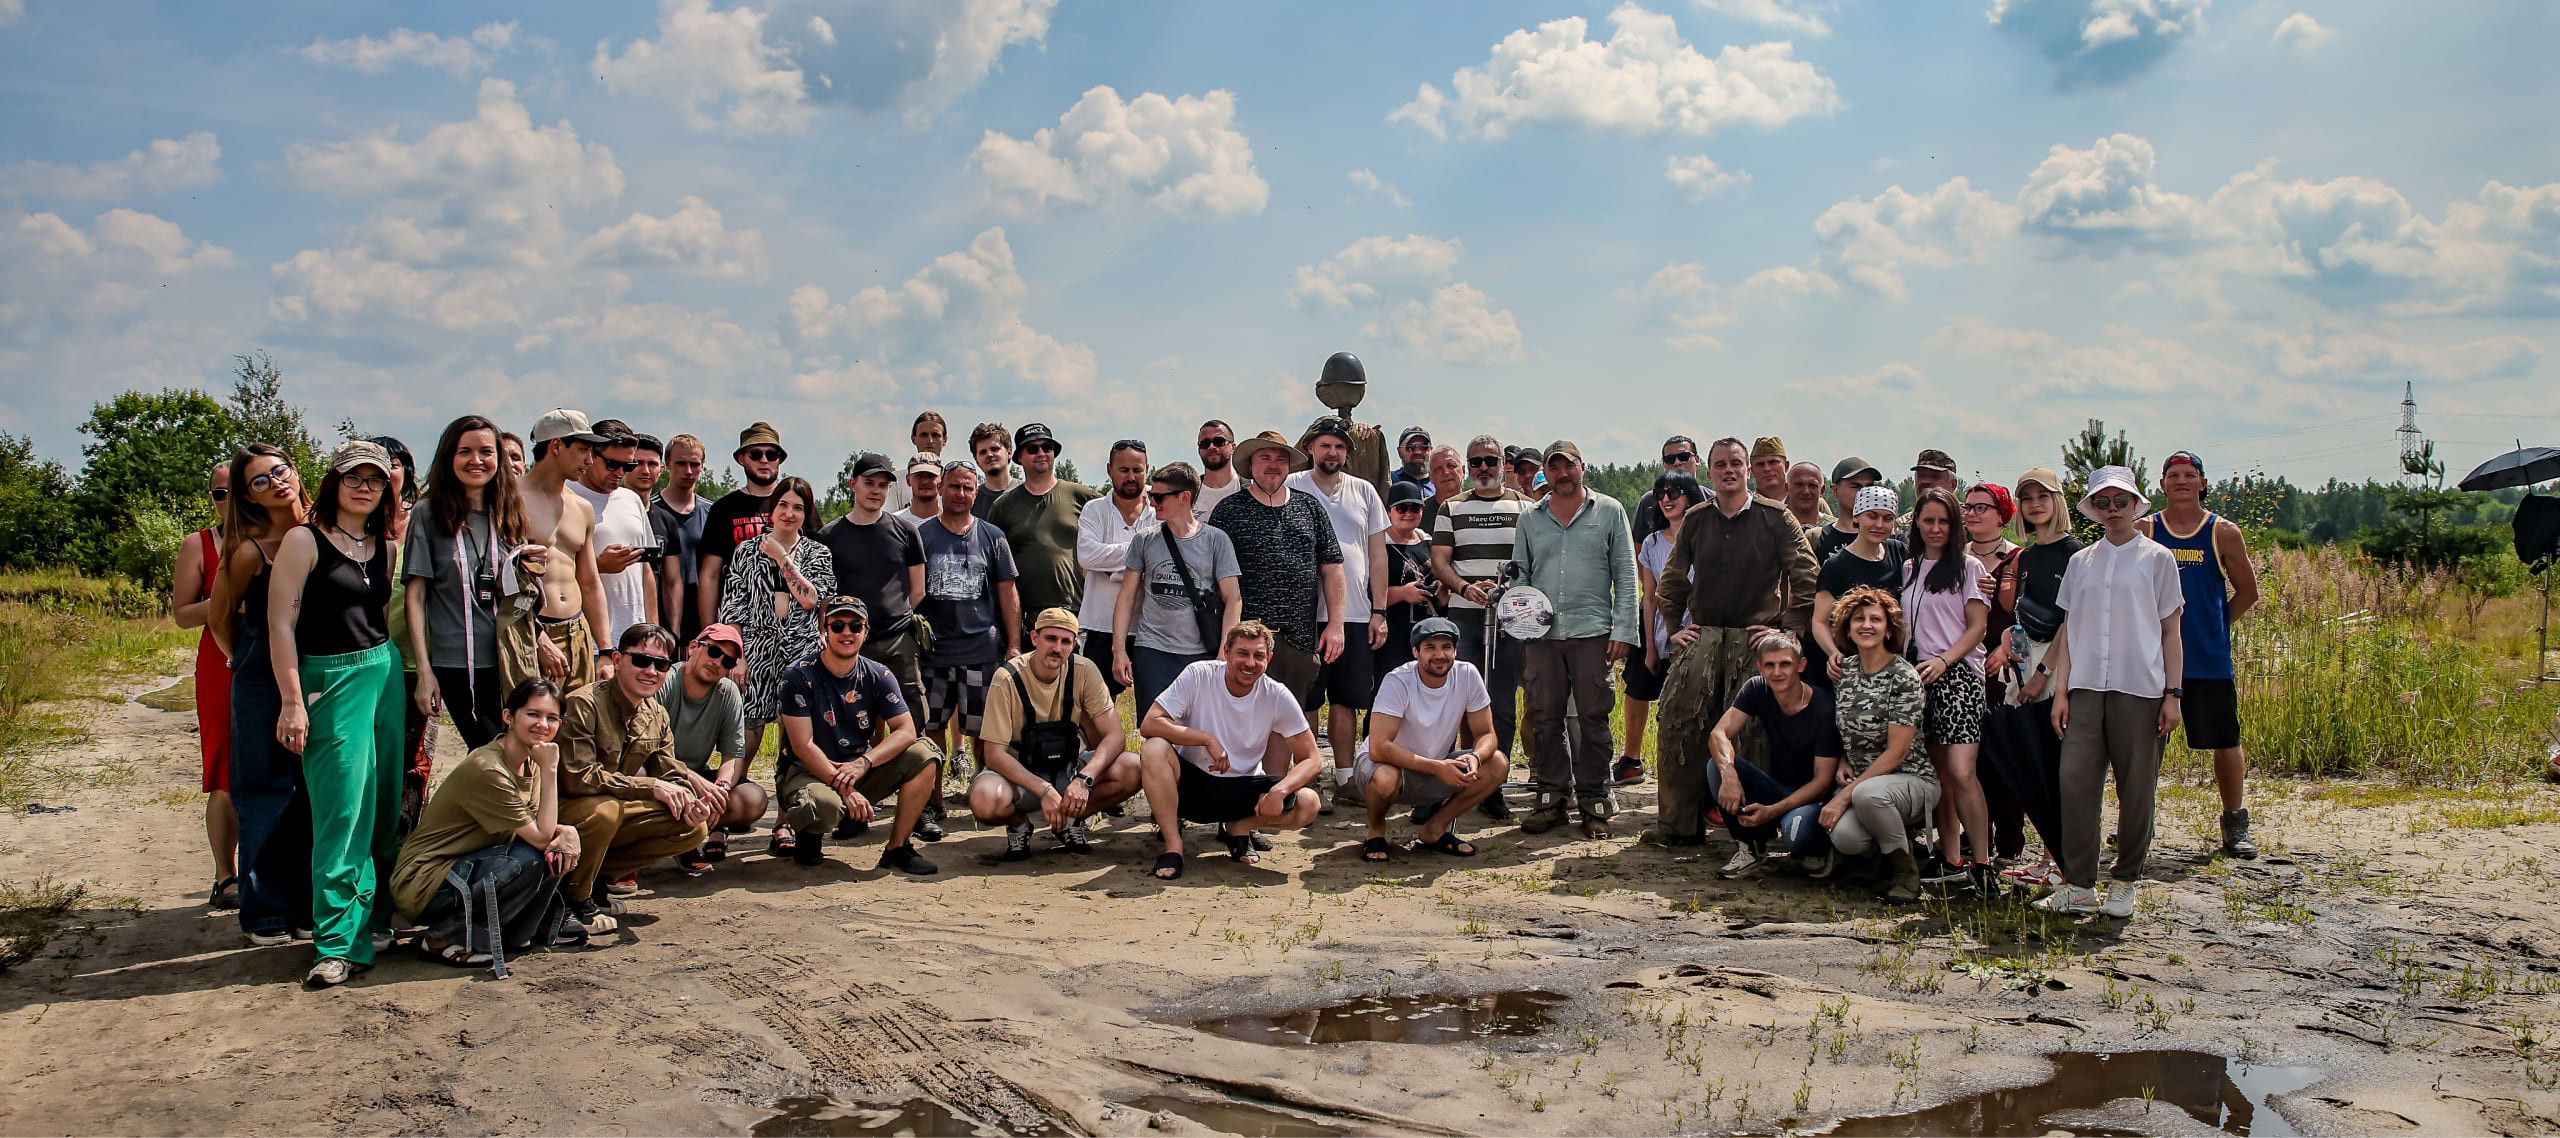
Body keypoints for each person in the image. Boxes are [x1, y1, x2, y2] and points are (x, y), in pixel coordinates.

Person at [267, 440, 407, 987]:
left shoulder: (383, 545)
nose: (366, 487)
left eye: (375, 479)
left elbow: (380, 620)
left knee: (381, 808)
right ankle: (334, 942)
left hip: (383, 672)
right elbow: (282, 625)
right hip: (329, 678)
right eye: (355, 477)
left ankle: (373, 920)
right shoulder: (303, 540)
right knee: (340, 813)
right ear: (334, 482)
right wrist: (293, 701)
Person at [1652, 438, 1820, 846]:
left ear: (1748, 471)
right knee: (1680, 730)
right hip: (1704, 635)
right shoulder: (1696, 518)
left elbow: (1808, 577)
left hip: (1756, 639)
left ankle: (1751, 832)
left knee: (1752, 737)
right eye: (1720, 464)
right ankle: (1678, 827)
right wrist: (1674, 625)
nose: (1729, 470)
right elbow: (1672, 578)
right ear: (1709, 473)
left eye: (1736, 463)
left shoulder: (1776, 517)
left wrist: (1788, 632)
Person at [2038, 467, 2185, 919]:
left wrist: (2173, 694)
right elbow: (2070, 628)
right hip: (2084, 688)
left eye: (2121, 500)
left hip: (2139, 687)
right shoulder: (2081, 562)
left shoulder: (2158, 558)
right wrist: (2060, 691)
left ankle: (2125, 882)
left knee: (2136, 787)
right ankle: (2079, 884)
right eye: (2103, 502)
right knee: (2076, 784)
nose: (2113, 509)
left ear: (2136, 502)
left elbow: (2171, 631)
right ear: (2093, 509)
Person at [391, 677, 578, 973]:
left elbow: (543, 828)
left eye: (552, 718)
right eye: (533, 714)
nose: (543, 724)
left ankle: (504, 933)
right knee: (532, 856)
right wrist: (551, 770)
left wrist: (568, 831)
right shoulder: (489, 768)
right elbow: (541, 837)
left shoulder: (532, 759)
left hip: (467, 866)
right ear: (508, 717)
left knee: (555, 853)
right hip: (424, 882)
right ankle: (443, 937)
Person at [208, 443, 311, 948]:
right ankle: (266, 911)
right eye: (259, 481)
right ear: (247, 497)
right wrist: (246, 662)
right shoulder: (251, 548)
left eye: (279, 471)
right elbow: (219, 619)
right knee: (267, 787)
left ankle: (309, 906)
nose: (275, 483)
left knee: (315, 790)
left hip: (318, 664)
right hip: (259, 672)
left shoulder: (324, 528)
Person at [1508, 441, 1639, 837]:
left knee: (1593, 718)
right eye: (1555, 467)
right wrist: (1523, 625)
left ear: (1582, 467)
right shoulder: (1531, 518)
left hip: (1593, 632)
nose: (1563, 474)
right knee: (1545, 718)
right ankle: (1550, 799)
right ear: (1546, 472)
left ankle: (1595, 801)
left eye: (1570, 466)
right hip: (1543, 636)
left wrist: (1623, 630)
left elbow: (1626, 575)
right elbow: (1520, 576)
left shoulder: (1610, 510)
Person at [2137, 450, 2261, 859]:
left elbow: (2248, 591)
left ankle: (2234, 824)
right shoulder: (2147, 529)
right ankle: (2136, 825)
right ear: (2162, 485)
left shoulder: (2222, 532)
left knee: (2225, 741)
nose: (2182, 482)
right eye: (2174, 476)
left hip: (2207, 660)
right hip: (2152, 660)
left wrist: (2215, 625)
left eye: (2190, 475)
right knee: (2139, 746)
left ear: (2203, 483)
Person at [1136, 621, 1326, 879]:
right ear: (1226, 652)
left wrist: (1280, 790)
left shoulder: (1277, 694)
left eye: (1258, 656)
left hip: (1244, 788)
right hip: (1191, 784)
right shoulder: (1199, 674)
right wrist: (1205, 739)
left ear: (1268, 659)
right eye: (1242, 653)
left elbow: (1313, 759)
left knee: (1308, 802)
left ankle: (1240, 827)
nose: (1250, 663)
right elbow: (1150, 723)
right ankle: (1173, 847)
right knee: (1153, 748)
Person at [555, 623, 714, 933]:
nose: (651, 671)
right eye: (641, 660)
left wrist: (691, 802)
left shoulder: (656, 714)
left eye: (661, 664)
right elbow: (579, 779)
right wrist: (651, 787)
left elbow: (671, 773)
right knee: (605, 811)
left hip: (609, 812)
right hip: (563, 815)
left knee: (691, 828)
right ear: (617, 660)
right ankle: (573, 897)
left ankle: (595, 878)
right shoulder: (584, 704)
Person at [775, 597, 944, 875]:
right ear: (824, 630)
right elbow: (802, 746)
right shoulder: (798, 674)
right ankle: (809, 835)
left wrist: (864, 763)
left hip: (856, 767)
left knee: (925, 753)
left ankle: (897, 848)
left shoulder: (879, 674)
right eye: (838, 625)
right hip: (807, 771)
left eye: (855, 626)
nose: (847, 633)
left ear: (866, 632)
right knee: (823, 805)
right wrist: (846, 790)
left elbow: (906, 731)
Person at [967, 609, 1140, 859]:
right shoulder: (1007, 678)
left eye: (1065, 641)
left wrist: (1084, 779)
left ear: (1074, 644)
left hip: (1068, 771)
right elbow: (993, 754)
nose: (1057, 648)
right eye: (1050, 639)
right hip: (1020, 776)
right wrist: (1044, 790)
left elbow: (1115, 736)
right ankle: (1019, 825)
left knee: (1134, 766)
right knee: (985, 798)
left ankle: (1072, 819)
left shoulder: (1084, 671)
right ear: (1035, 638)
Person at [1286, 418, 1392, 808]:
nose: (1332, 453)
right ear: (1311, 448)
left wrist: (1379, 610)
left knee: (1347, 698)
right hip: (1304, 613)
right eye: (1325, 445)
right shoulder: (1292, 487)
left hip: (1357, 614)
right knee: (1307, 699)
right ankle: (1308, 777)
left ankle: (1345, 779)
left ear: (1348, 453)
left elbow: (1377, 554)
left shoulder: (1364, 491)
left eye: (1340, 447)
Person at [406, 415, 527, 752]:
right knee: (492, 750)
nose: (476, 460)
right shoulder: (428, 514)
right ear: (450, 458)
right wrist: (424, 671)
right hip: (456, 662)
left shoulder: (509, 512)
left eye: (486, 451)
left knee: (516, 752)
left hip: (507, 658)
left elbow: (519, 595)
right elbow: (415, 597)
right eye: (465, 451)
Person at [1989, 467, 2083, 888]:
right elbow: (2025, 611)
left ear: (2057, 501)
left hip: (2059, 666)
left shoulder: (2076, 554)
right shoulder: (2025, 556)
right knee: (2038, 762)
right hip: (2027, 660)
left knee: (2060, 764)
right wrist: (2010, 637)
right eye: (2027, 498)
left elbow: (2071, 621)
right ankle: (2047, 860)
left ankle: (2066, 863)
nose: (2034, 505)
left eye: (2042, 496)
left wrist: (2044, 675)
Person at [1207, 432, 1346, 711]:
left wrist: (1336, 625)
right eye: (1265, 458)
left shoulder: (1310, 507)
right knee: (1242, 717)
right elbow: (1213, 575)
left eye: (1280, 459)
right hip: (1247, 639)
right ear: (1250, 465)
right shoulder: (1229, 510)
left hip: (1300, 638)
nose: (1273, 465)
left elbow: (1332, 569)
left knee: (1295, 719)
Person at [1431, 434, 1532, 817]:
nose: (1484, 468)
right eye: (1476, 462)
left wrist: (1514, 592)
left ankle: (1493, 785)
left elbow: (1532, 559)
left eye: (1491, 460)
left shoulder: (1525, 505)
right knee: (1457, 701)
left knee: (1502, 703)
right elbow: (1440, 560)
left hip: (1511, 617)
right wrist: (1464, 587)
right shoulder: (1451, 507)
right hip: (1465, 616)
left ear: (1503, 463)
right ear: (1468, 467)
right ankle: (1451, 779)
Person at [1351, 617, 1508, 862]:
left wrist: (1475, 757)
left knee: (1497, 762)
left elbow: (1486, 734)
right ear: (1416, 652)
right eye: (1430, 648)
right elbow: (1378, 748)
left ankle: (1435, 830)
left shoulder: (1467, 674)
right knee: (1385, 777)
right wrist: (1437, 767)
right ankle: (1376, 831)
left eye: (1446, 647)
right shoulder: (1397, 680)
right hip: (1389, 767)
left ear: (1455, 651)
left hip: (1436, 766)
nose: (1439, 655)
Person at [916, 460, 1020, 828]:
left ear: (976, 492)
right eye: (954, 486)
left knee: (983, 732)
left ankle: (982, 792)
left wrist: (1013, 645)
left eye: (967, 487)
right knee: (931, 730)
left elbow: (1008, 594)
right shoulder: (922, 536)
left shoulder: (992, 537)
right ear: (941, 488)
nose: (961, 494)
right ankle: (931, 801)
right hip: (933, 653)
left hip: (982, 651)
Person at [1900, 488, 1994, 889]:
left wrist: (1945, 661)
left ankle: (1983, 864)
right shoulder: (1907, 569)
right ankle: (1952, 861)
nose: (1936, 528)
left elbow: (1978, 627)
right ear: (1917, 524)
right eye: (1928, 520)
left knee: (1961, 771)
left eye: (1944, 521)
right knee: (1938, 773)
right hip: (1917, 678)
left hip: (1958, 676)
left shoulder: (1968, 568)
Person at [1824, 586, 1935, 902]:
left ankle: (1906, 875)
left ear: (1889, 629)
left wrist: (1843, 796)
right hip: (1863, 785)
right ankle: (1882, 859)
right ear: (1847, 627)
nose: (1867, 625)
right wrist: (1845, 760)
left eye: (1876, 619)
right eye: (1859, 619)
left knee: (1867, 794)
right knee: (1846, 837)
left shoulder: (1903, 677)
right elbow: (1847, 729)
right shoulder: (1844, 672)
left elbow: (1897, 752)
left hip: (1911, 780)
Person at [716, 475, 833, 769]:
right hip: (756, 647)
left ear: (806, 514)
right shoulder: (746, 551)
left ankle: (787, 809)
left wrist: (782, 557)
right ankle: (732, 792)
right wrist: (737, 657)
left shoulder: (818, 553)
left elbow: (810, 599)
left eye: (797, 507)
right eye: (782, 505)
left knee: (794, 730)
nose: (788, 513)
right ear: (772, 507)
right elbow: (733, 609)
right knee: (749, 725)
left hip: (802, 648)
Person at [1704, 633, 1843, 878]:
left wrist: (1774, 811)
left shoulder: (1823, 707)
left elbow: (1821, 783)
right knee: (1716, 767)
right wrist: (1729, 775)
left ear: (1801, 666)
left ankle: (1820, 850)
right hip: (1776, 786)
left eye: (1785, 664)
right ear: (1760, 668)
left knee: (1796, 835)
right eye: (1770, 665)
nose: (1777, 672)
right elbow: (1719, 734)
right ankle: (1750, 848)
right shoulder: (1758, 688)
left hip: (1811, 798)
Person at [1112, 462, 1242, 717]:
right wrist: (1119, 650)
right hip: (1153, 651)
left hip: (1200, 653)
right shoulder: (1144, 539)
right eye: (1151, 496)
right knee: (1157, 731)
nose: (1152, 503)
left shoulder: (1216, 540)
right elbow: (1126, 597)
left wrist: (1223, 653)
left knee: (1198, 733)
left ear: (1185, 497)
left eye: (1159, 497)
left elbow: (1233, 599)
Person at [816, 451, 930, 722]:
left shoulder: (906, 531)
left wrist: (895, 619)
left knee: (913, 716)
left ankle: (921, 764)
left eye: (883, 485)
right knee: (850, 717)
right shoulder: (828, 537)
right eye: (869, 483)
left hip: (898, 641)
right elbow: (824, 596)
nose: (876, 491)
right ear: (853, 484)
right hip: (848, 640)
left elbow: (918, 589)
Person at [173, 459, 237, 910]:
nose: (229, 500)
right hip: (220, 664)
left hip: (278, 661)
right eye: (219, 492)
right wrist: (228, 600)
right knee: (224, 771)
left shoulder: (284, 538)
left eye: (238, 489)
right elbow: (181, 614)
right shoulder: (198, 545)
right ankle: (225, 875)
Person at [510, 409, 610, 693]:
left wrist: (604, 650)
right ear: (556, 445)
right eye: (583, 450)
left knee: (578, 729)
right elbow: (501, 580)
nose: (589, 462)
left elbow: (590, 583)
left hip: (577, 631)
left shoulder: (581, 507)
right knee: (532, 728)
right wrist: (538, 638)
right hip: (530, 630)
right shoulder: (510, 499)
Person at [654, 624, 763, 866]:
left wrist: (720, 791)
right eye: (714, 652)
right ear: (694, 647)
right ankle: (632, 857)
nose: (718, 663)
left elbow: (733, 756)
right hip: (657, 774)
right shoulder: (665, 682)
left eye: (728, 662)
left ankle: (686, 838)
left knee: (752, 799)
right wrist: (695, 783)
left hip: (695, 781)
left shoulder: (728, 692)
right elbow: (647, 754)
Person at [986, 422, 1102, 643]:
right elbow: (994, 569)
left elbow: (1118, 514)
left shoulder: (1082, 496)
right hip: (1028, 621)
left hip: (1077, 615)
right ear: (1019, 457)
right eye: (1032, 448)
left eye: (1047, 447)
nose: (1041, 453)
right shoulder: (1003, 506)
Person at [1630, 471, 1704, 786]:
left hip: (1700, 636)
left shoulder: (1707, 536)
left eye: (1675, 492)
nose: (1667, 499)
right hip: (1662, 636)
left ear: (1691, 495)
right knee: (1667, 715)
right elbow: (1649, 597)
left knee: (1695, 715)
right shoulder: (1652, 542)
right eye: (1661, 493)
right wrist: (1649, 647)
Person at [1074, 440, 1155, 697]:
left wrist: (1115, 570)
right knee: (1095, 704)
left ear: (1147, 469)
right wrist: (1140, 559)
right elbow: (1087, 557)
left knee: (1155, 707)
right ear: (1110, 470)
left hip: (1150, 626)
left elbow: (1164, 560)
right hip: (1101, 626)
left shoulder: (1159, 506)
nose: (1131, 477)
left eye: (1137, 470)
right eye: (1124, 470)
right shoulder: (1094, 510)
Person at [569, 420, 657, 648]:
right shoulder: (568, 497)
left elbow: (645, 569)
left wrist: (654, 631)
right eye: (612, 464)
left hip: (635, 636)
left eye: (628, 466)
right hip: (590, 638)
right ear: (589, 455)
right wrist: (597, 566)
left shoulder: (631, 499)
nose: (620, 473)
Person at [1812, 486, 1906, 690]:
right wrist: (1832, 653)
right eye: (1872, 516)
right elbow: (1819, 621)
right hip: (1852, 671)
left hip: (1893, 669)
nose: (1879, 525)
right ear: (1857, 517)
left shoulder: (1899, 553)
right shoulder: (1836, 566)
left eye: (1887, 518)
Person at [697, 422, 785, 632]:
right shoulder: (724, 509)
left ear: (779, 459)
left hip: (791, 620)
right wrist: (710, 631)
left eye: (771, 454)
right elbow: (710, 575)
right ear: (741, 458)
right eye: (756, 454)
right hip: (742, 620)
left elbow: (820, 570)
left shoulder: (797, 504)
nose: (764, 460)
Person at [1373, 480, 1442, 685]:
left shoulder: (1428, 540)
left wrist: (1441, 587)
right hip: (1392, 631)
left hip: (1428, 628)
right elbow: (1364, 593)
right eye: (1401, 508)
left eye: (1415, 508)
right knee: (1390, 687)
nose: (1408, 513)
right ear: (1389, 511)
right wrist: (1403, 593)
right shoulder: (1377, 545)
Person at [651, 433, 714, 642]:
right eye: (681, 463)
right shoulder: (649, 512)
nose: (688, 471)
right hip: (660, 615)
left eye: (694, 464)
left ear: (702, 465)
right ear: (667, 464)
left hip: (703, 616)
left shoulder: (712, 514)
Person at [1813, 457, 1884, 564]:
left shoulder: (1884, 537)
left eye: (1869, 487)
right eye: (1856, 486)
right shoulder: (1817, 538)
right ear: (1836, 490)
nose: (1864, 493)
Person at [1633, 435, 1702, 544]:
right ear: (1664, 464)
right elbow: (1638, 548)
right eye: (1670, 459)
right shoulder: (1649, 500)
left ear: (1697, 460)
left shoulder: (1712, 500)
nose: (1677, 462)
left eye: (1684, 456)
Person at [1193, 419, 1243, 515]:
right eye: (1205, 443)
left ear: (1233, 447)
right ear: (1199, 450)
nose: (1211, 447)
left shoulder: (1248, 489)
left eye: (1219, 441)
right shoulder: (1187, 493)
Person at [969, 421, 1016, 515]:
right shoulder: (970, 501)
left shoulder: (1028, 492)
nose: (989, 455)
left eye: (994, 449)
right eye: (983, 452)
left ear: (1009, 452)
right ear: (976, 459)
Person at [1421, 444, 1462, 534]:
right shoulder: (1418, 512)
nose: (1446, 472)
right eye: (1438, 469)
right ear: (1430, 477)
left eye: (1451, 466)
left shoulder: (1479, 507)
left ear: (1463, 470)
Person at [1786, 461, 1834, 531]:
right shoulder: (1772, 528)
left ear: (1822, 490)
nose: (1806, 491)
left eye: (1812, 485)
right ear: (1787, 488)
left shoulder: (1837, 529)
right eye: (1799, 485)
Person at [901, 452, 943, 527]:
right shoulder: (895, 523)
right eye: (919, 476)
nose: (925, 481)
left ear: (942, 481)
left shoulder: (952, 523)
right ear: (908, 480)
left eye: (931, 476)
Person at [1749, 437, 1792, 508]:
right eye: (1760, 464)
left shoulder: (1804, 502)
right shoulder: (1746, 507)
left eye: (1773, 462)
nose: (1767, 469)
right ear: (1752, 471)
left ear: (1786, 466)